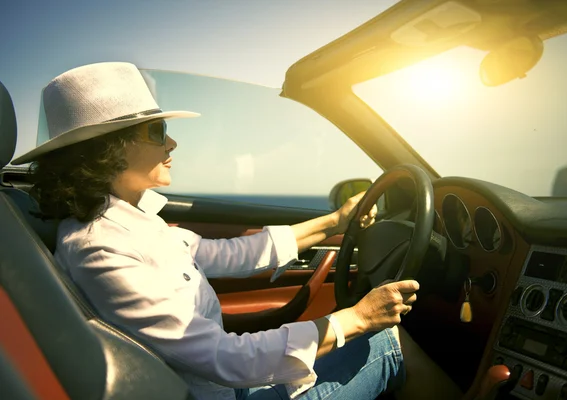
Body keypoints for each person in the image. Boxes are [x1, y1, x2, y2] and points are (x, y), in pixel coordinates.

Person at [13, 62, 462, 400]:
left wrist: (334, 222)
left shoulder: (131, 224)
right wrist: (356, 318)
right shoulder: (100, 249)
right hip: (222, 391)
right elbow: (222, 358)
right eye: (157, 130)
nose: (172, 142)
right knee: (390, 344)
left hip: (224, 387)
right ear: (107, 151)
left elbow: (230, 255)